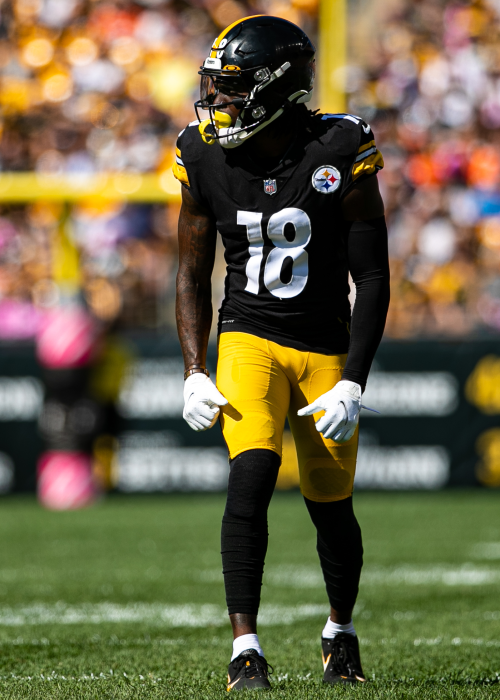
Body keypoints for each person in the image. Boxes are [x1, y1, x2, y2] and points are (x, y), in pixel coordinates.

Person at [173, 15, 390, 691]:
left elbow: (372, 276)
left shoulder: (339, 147)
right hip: (249, 334)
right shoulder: (202, 153)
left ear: (277, 87)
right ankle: (245, 648)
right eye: (215, 85)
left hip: (324, 342)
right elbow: (190, 273)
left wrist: (353, 381)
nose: (217, 99)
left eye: (233, 86)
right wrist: (194, 371)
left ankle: (339, 634)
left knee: (331, 501)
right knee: (252, 475)